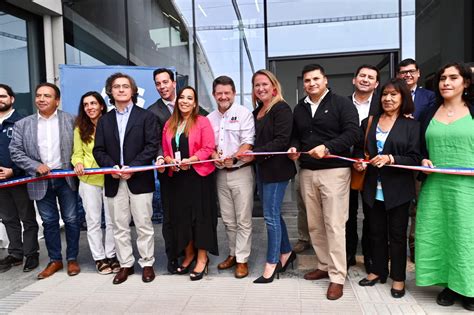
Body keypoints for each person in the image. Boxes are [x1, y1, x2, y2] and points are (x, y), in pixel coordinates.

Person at [288, 64, 359, 300]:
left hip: (335, 171)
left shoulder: (342, 104)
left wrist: (328, 147)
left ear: (325, 80)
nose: (311, 84)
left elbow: (352, 133)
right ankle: (323, 264)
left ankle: (338, 276)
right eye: (307, 80)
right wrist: (295, 147)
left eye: (316, 79)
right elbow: (296, 135)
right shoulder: (300, 108)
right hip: (307, 171)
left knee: (335, 224)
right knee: (315, 224)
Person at [354, 78, 421, 298]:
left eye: (394, 94)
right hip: (373, 188)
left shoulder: (411, 125)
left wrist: (392, 158)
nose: (388, 98)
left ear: (403, 98)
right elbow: (359, 150)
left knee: (398, 236)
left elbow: (415, 157)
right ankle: (377, 271)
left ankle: (398, 278)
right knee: (376, 233)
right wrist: (359, 162)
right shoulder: (369, 122)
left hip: (398, 190)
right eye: (385, 94)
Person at [416, 63, 474, 311]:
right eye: (442, 78)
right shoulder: (429, 112)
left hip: (469, 188)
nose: (446, 83)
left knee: (467, 237)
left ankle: (469, 288)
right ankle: (449, 285)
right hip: (436, 187)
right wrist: (422, 158)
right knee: (440, 235)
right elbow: (418, 147)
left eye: (453, 78)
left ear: (466, 83)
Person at [93, 73, 159, 285]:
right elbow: (98, 150)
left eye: (125, 86)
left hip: (139, 179)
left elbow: (151, 146)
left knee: (143, 224)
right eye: (116, 87)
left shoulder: (146, 117)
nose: (121, 90)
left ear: (133, 90)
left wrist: (135, 167)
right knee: (119, 226)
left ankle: (147, 264)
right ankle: (125, 265)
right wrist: (111, 167)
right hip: (113, 179)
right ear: (110, 91)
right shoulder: (104, 120)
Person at [9, 83, 80, 279]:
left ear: (57, 101)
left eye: (47, 96)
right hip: (39, 180)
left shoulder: (71, 120)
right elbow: (15, 152)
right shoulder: (23, 124)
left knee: (72, 220)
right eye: (39, 95)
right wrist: (34, 165)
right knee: (49, 222)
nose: (41, 99)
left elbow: (79, 147)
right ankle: (55, 260)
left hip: (65, 179)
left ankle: (72, 259)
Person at [241, 69, 296, 284]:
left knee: (270, 217)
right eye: (257, 85)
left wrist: (253, 154)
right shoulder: (257, 112)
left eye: (264, 84)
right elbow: (253, 140)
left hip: (277, 171)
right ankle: (286, 252)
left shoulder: (281, 108)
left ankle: (272, 263)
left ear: (274, 87)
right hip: (263, 170)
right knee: (272, 213)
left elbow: (282, 141)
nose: (261, 88)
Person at [161, 86, 218, 281]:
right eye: (182, 98)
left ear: (195, 103)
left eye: (189, 98)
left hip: (199, 177)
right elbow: (166, 151)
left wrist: (191, 159)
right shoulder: (170, 123)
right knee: (182, 219)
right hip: (177, 179)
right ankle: (189, 254)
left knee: (200, 219)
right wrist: (169, 161)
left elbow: (209, 147)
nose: (184, 101)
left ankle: (202, 258)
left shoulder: (202, 121)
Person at [208, 76, 255, 279]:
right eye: (219, 93)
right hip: (219, 174)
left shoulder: (244, 114)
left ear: (233, 93)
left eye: (227, 93)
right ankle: (233, 254)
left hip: (241, 172)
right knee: (228, 220)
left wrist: (234, 158)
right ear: (214, 95)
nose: (223, 96)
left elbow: (248, 142)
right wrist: (214, 156)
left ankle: (243, 260)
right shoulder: (209, 118)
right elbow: (209, 145)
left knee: (243, 219)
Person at [71, 91, 118, 275]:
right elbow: (77, 153)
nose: (90, 107)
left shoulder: (111, 124)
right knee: (93, 221)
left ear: (101, 105)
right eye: (86, 105)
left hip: (110, 178)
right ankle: (100, 258)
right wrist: (78, 163)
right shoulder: (79, 128)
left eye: (93, 103)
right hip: (89, 180)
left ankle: (112, 255)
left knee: (113, 220)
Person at [396, 58, 436, 262]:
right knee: (398, 204)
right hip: (396, 159)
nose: (407, 75)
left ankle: (415, 243)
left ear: (418, 73)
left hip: (419, 158)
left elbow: (430, 123)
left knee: (419, 204)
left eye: (411, 71)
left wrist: (412, 124)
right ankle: (395, 243)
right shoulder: (391, 94)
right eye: (403, 72)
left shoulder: (429, 97)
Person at [0, 84, 39, 273]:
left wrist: (13, 171)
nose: (0, 99)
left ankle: (31, 253)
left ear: (11, 99)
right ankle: (15, 253)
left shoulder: (22, 122)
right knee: (8, 218)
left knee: (27, 218)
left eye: (3, 96)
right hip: (0, 184)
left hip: (19, 179)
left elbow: (29, 152)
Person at [346, 64, 380, 270]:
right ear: (354, 79)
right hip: (345, 165)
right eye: (362, 76)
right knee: (347, 214)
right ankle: (349, 254)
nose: (365, 79)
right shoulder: (340, 103)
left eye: (370, 77)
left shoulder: (382, 104)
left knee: (372, 213)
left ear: (376, 84)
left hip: (373, 166)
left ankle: (370, 257)